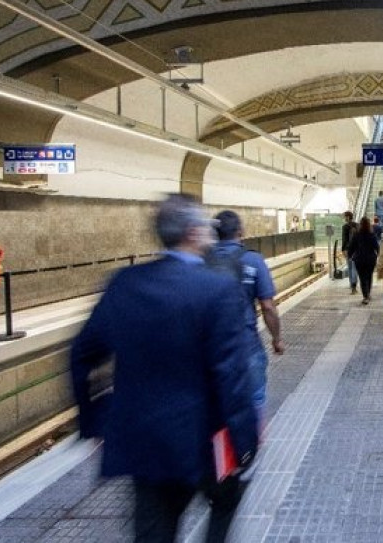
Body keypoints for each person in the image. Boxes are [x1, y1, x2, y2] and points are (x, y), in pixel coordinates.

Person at [71, 194, 258, 543]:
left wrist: (94, 420)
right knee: (225, 501)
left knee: (154, 534)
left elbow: (81, 355)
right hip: (204, 439)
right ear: (191, 232)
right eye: (204, 225)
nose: (209, 232)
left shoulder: (124, 283)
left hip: (145, 444)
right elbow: (231, 375)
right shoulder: (218, 289)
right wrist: (245, 441)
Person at [207, 210, 285, 427]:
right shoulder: (253, 260)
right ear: (241, 232)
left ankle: (222, 450)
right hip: (246, 344)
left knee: (215, 401)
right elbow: (268, 307)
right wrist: (277, 339)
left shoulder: (201, 262)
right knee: (256, 396)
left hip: (210, 348)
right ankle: (251, 447)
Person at [347, 217, 380, 305]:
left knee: (362, 278)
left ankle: (365, 296)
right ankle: (368, 294)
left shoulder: (357, 235)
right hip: (370, 259)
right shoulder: (372, 235)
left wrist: (349, 256)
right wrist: (378, 256)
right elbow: (377, 247)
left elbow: (351, 247)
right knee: (369, 277)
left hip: (359, 259)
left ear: (360, 224)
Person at [341, 211, 358, 295]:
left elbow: (344, 239)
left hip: (348, 250)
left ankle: (352, 285)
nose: (344, 218)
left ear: (347, 217)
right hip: (357, 250)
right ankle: (354, 285)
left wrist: (343, 250)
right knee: (355, 268)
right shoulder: (357, 225)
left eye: (345, 217)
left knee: (350, 268)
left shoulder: (345, 227)